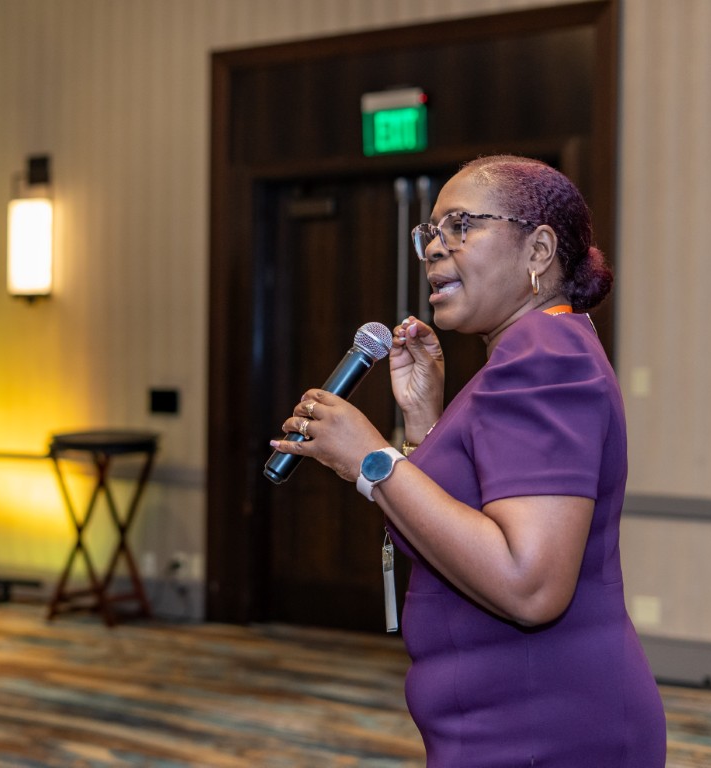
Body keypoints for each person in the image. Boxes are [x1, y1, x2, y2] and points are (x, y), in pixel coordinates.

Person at [269, 155, 667, 766]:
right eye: (430, 231)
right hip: (512, 716)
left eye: (460, 226)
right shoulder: (528, 353)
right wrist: (423, 422)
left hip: (544, 728)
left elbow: (530, 584)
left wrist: (372, 460)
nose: (434, 247)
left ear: (538, 250)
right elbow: (476, 519)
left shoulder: (544, 357)